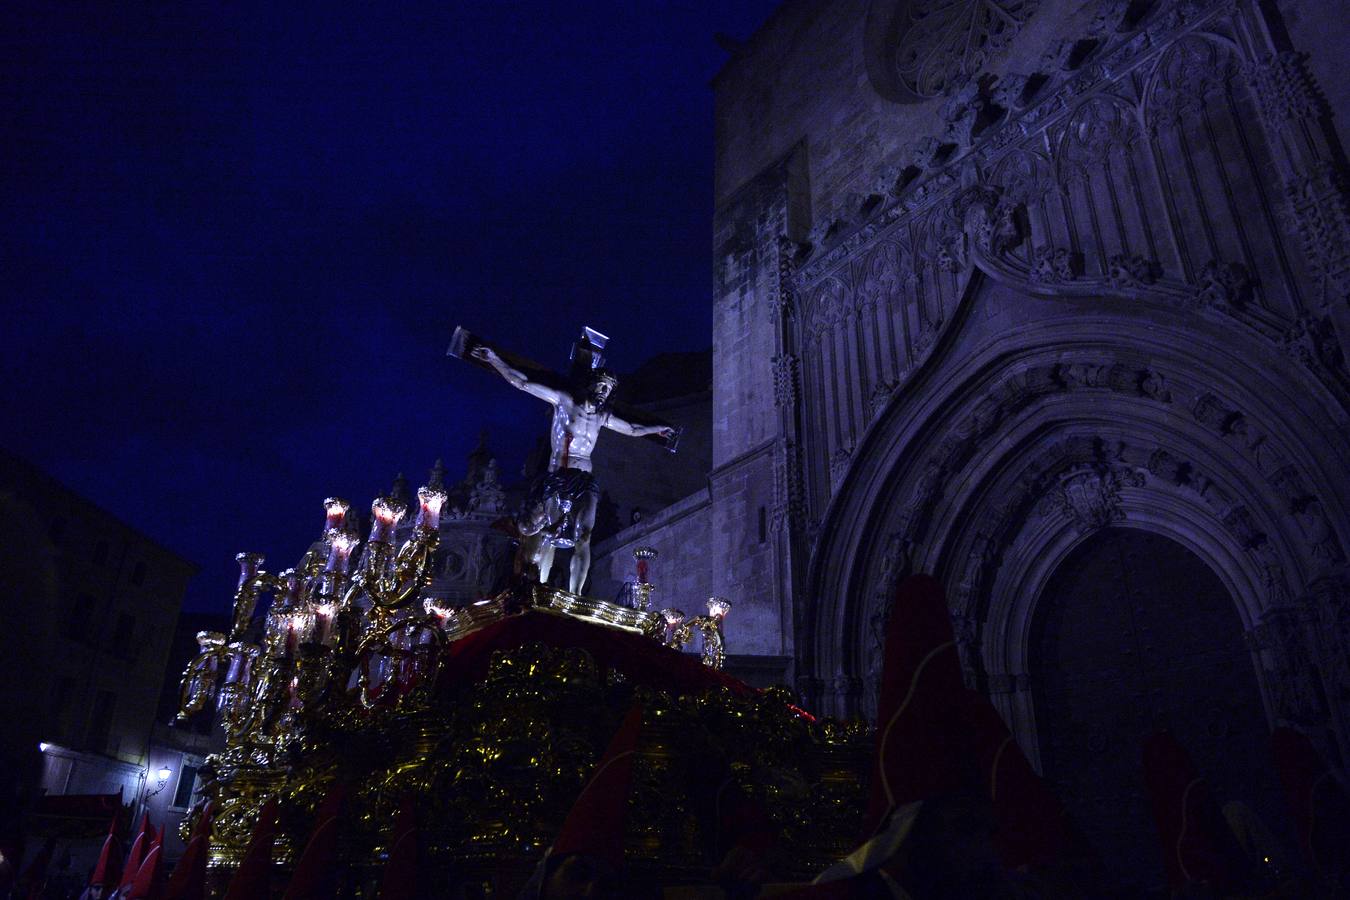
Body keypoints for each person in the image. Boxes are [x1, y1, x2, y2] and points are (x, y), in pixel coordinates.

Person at [471, 345, 674, 595]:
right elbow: (523, 382)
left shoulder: (601, 417)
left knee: (584, 536)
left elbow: (632, 428)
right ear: (589, 385)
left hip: (584, 480)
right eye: (600, 386)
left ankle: (575, 595)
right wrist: (495, 360)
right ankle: (537, 586)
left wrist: (656, 430)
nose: (602, 393)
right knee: (545, 533)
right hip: (558, 477)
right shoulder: (565, 401)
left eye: (607, 390)